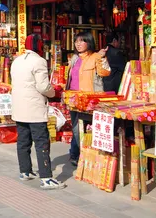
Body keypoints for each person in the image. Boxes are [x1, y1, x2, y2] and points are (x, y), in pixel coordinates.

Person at [11, 34, 65, 189]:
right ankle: (46, 177)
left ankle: (25, 171)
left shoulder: (17, 61)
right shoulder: (39, 61)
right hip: (34, 108)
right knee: (41, 141)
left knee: (23, 140)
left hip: (19, 107)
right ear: (38, 45)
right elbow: (43, 87)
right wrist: (54, 93)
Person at [66, 31, 111, 167]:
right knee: (76, 127)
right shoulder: (74, 59)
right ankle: (76, 154)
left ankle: (85, 154)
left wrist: (102, 58)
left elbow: (105, 72)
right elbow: (70, 79)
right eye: (76, 41)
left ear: (89, 42)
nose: (78, 44)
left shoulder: (95, 57)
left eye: (82, 41)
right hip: (74, 98)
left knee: (89, 127)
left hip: (90, 100)